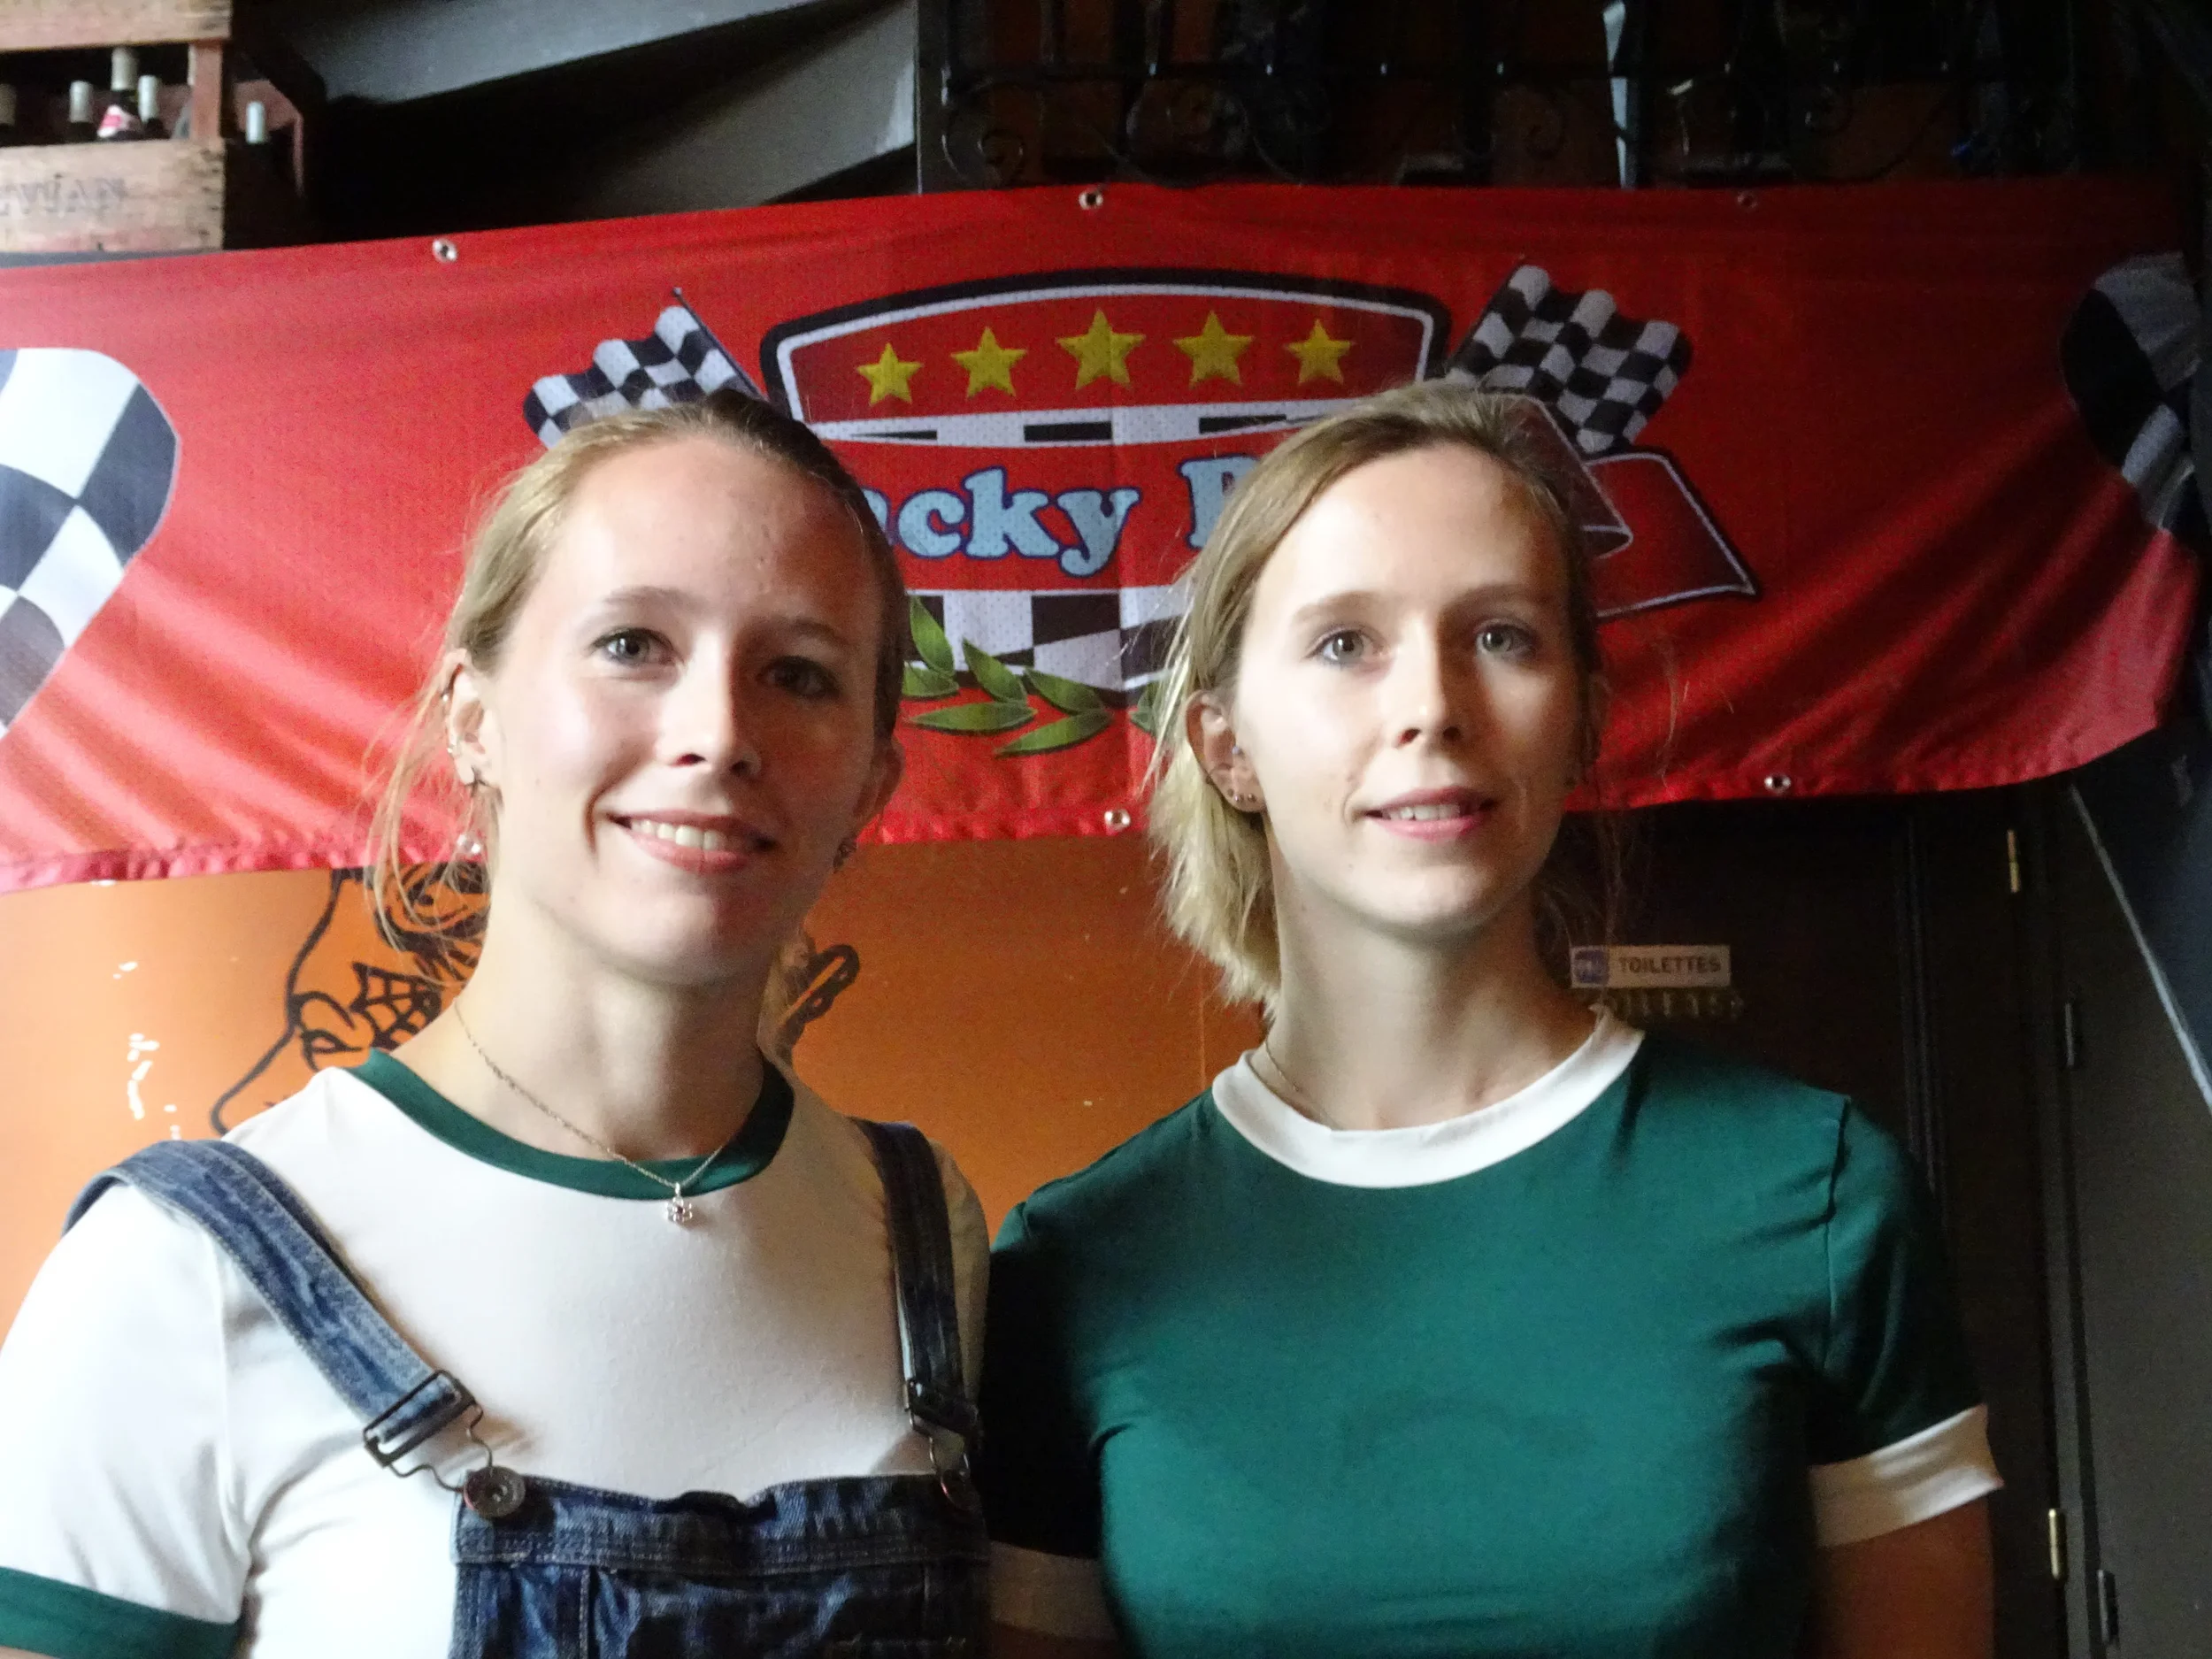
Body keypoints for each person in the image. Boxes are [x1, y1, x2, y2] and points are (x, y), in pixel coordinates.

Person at [979, 381, 2001, 1659]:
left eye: (1503, 635)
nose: (1434, 706)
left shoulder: (1822, 1197)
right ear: (1226, 746)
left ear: (1581, 719)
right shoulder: (1072, 1267)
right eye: (1345, 644)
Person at [0, 391, 990, 1658]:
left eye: (798, 673)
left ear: (871, 783)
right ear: (475, 719)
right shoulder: (179, 1270)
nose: (718, 734)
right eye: (633, 644)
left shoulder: (926, 1233)